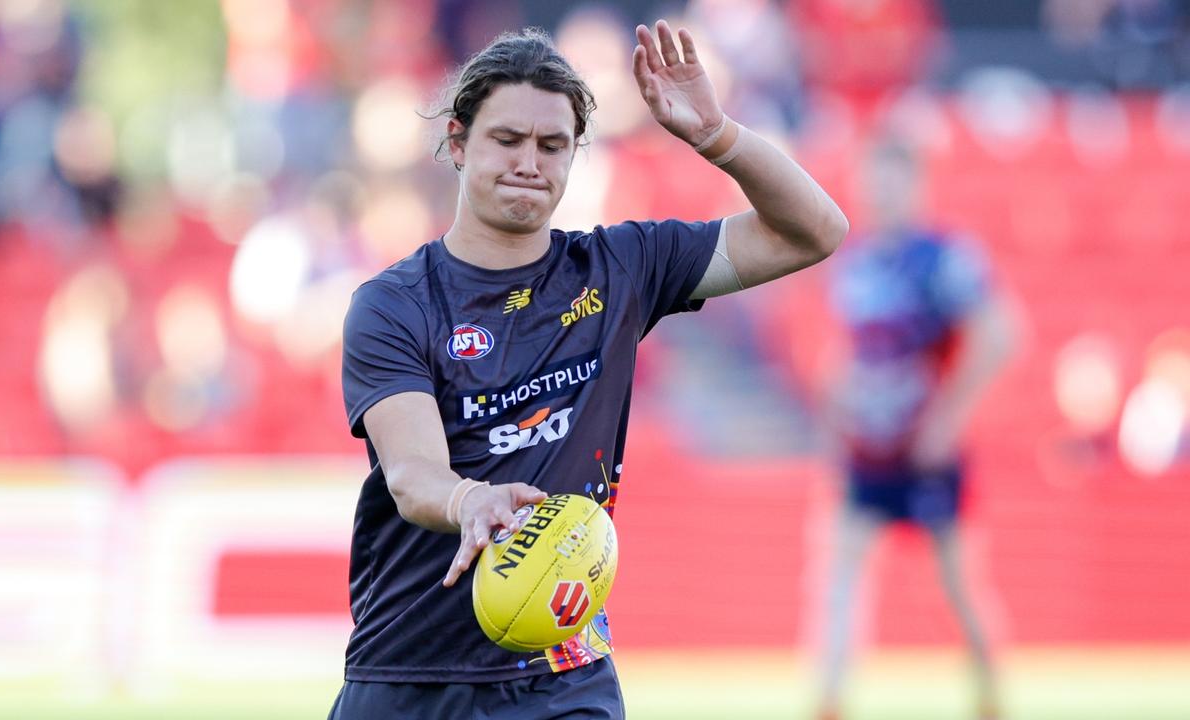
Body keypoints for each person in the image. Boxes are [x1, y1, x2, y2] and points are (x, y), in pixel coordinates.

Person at [336, 22, 847, 719]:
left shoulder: (620, 268)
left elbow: (815, 231)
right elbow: (411, 474)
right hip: (410, 672)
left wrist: (716, 135)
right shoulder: (394, 304)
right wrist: (469, 502)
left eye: (552, 145)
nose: (529, 162)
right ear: (458, 142)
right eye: (506, 139)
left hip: (563, 674)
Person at [813, 136, 1016, 720]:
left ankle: (990, 693)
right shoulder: (855, 261)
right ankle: (830, 697)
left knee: (957, 585)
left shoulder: (943, 258)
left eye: (891, 180)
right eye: (872, 180)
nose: (880, 192)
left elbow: (999, 334)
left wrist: (948, 418)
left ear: (915, 185)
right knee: (840, 570)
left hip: (925, 451)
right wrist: (837, 412)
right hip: (868, 448)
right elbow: (855, 354)